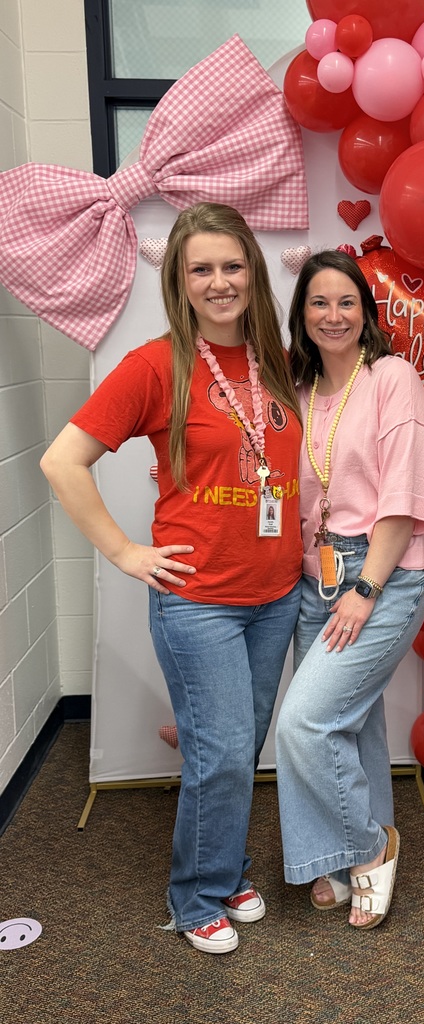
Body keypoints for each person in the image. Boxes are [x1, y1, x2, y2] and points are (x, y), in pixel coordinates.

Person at [40, 202, 303, 955]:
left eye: (232, 265)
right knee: (221, 753)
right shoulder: (155, 366)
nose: (220, 282)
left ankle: (226, 867)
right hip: (200, 602)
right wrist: (126, 552)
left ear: (252, 269)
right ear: (179, 283)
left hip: (276, 593)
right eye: (202, 270)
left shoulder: (276, 359)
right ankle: (195, 898)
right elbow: (64, 462)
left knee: (239, 746)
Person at [275, 250, 424, 929]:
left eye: (346, 301)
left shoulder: (392, 378)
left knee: (305, 720)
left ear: (366, 313)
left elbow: (405, 495)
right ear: (302, 317)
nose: (333, 314)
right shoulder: (298, 387)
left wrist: (365, 587)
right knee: (348, 714)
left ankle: (373, 848)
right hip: (313, 569)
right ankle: (334, 852)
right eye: (318, 303)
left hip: (389, 566)